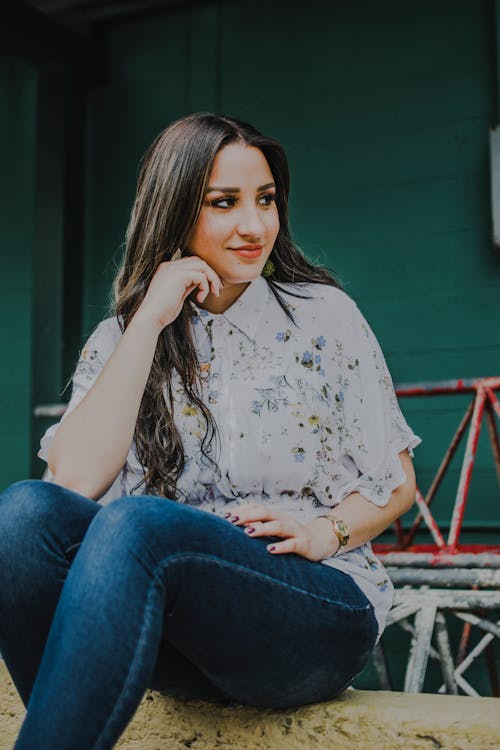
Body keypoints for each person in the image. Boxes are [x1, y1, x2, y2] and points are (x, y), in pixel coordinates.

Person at [0, 113, 421, 749]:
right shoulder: (122, 338)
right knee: (20, 516)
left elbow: (398, 486)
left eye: (266, 200)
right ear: (173, 212)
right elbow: (73, 483)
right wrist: (148, 323)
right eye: (224, 203)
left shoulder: (323, 317)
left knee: (138, 524)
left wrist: (322, 531)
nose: (254, 226)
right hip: (179, 635)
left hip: (312, 609)